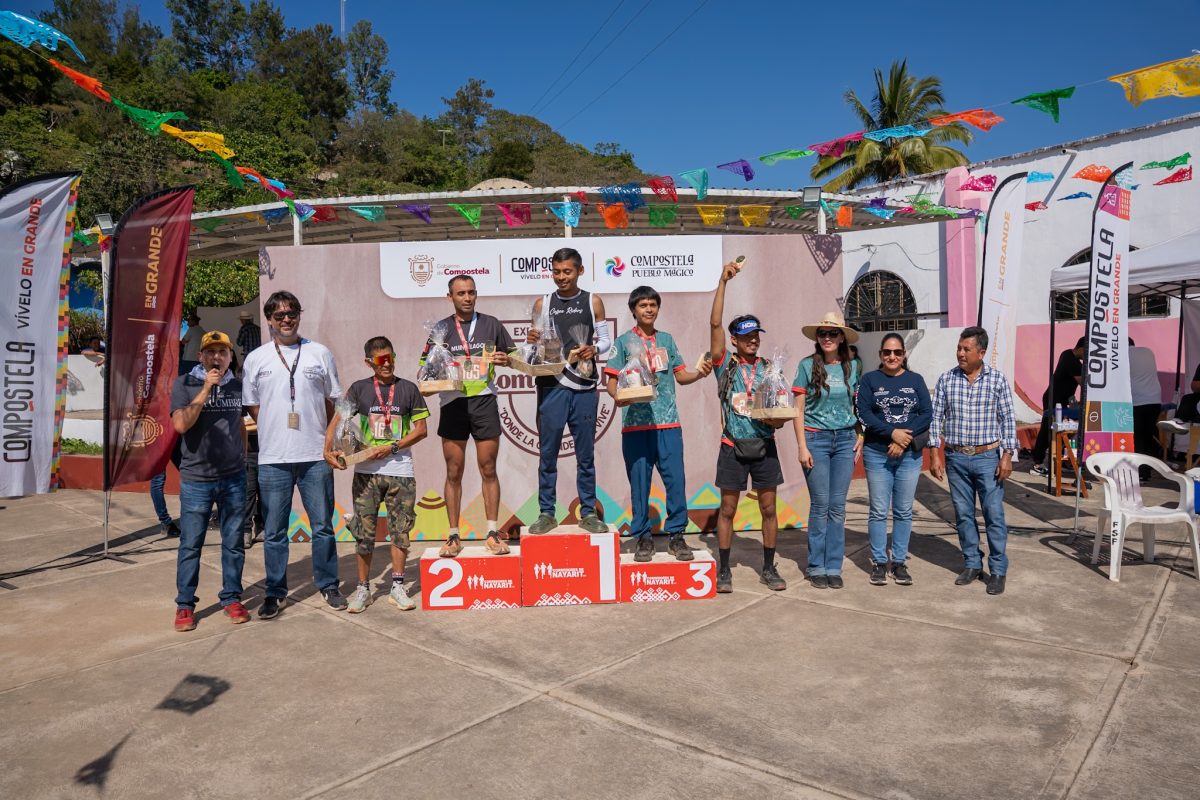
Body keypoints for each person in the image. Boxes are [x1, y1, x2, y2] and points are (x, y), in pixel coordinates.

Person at [242, 290, 346, 617]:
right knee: (274, 532)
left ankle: (328, 585)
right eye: (279, 315)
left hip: (315, 456)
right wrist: (276, 429)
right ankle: (275, 592)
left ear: (299, 315)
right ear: (269, 320)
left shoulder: (319, 353)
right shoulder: (256, 358)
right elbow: (254, 406)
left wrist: (325, 440)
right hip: (274, 459)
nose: (286, 319)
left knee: (323, 527)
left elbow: (333, 401)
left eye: (292, 313)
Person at [605, 285, 712, 562]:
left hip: (668, 424)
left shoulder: (667, 340)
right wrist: (618, 397)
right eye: (643, 305)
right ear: (633, 310)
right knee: (639, 484)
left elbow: (681, 376)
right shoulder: (622, 342)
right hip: (635, 426)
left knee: (675, 481)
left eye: (653, 305)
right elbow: (612, 382)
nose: (649, 309)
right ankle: (643, 537)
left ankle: (677, 535)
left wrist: (699, 374)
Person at [328, 336, 429, 613]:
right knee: (364, 533)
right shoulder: (359, 389)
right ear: (369, 362)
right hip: (366, 472)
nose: (387, 364)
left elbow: (421, 430)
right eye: (380, 360)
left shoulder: (408, 389)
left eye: (390, 358)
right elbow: (338, 421)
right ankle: (363, 589)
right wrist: (329, 449)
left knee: (401, 531)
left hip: (401, 471)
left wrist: (392, 447)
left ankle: (397, 586)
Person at [420, 275, 517, 557]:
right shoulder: (440, 329)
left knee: (488, 468)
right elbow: (424, 370)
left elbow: (515, 358)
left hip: (484, 401)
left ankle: (492, 533)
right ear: (450, 297)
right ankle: (453, 535)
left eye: (471, 292)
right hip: (453, 403)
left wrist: (507, 359)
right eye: (461, 293)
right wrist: (433, 373)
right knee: (454, 471)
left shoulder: (491, 324)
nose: (467, 298)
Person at [708, 260, 790, 592]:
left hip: (764, 446)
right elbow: (715, 323)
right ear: (734, 340)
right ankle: (724, 570)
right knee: (728, 509)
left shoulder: (770, 368)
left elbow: (780, 412)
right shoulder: (724, 364)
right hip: (732, 446)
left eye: (756, 335)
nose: (753, 340)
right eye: (746, 336)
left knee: (769, 509)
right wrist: (723, 282)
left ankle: (769, 568)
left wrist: (776, 419)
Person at [525, 247, 612, 535]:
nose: (561, 277)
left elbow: (606, 342)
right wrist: (530, 340)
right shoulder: (542, 303)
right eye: (556, 272)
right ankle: (546, 512)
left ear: (580, 271)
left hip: (584, 386)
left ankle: (588, 512)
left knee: (585, 455)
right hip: (551, 386)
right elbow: (531, 349)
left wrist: (593, 348)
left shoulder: (592, 301)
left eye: (567, 272)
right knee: (547, 453)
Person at [928, 327, 1018, 596]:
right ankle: (972, 564)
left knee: (993, 514)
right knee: (963, 514)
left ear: (981, 353)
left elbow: (1008, 419)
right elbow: (936, 418)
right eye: (959, 348)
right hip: (956, 457)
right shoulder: (947, 379)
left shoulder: (997, 380)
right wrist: (934, 454)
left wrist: (1007, 456)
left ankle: (998, 570)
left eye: (966, 349)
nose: (960, 353)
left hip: (988, 458)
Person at [170, 331, 249, 631]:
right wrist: (205, 388)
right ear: (200, 356)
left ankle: (232, 597)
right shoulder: (185, 383)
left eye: (223, 352)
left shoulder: (238, 386)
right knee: (191, 544)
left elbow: (240, 424)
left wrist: (241, 458)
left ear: (230, 357)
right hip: (197, 480)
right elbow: (180, 424)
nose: (217, 357)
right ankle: (185, 604)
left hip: (233, 478)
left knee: (233, 543)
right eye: (211, 352)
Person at [856, 333, 932, 586]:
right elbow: (864, 413)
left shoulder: (915, 380)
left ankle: (899, 562)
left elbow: (927, 413)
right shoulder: (869, 380)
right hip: (877, 454)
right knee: (878, 511)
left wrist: (903, 439)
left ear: (904, 354)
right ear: (880, 354)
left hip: (909, 456)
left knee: (903, 511)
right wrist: (892, 433)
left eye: (897, 352)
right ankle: (879, 562)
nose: (892, 356)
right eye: (887, 352)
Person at [793, 311, 862, 589]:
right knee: (820, 505)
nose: (827, 338)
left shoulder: (853, 366)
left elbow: (859, 405)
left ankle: (834, 565)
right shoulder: (806, 365)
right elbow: (797, 409)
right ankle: (816, 566)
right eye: (823, 333)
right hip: (816, 440)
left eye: (833, 333)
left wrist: (861, 434)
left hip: (845, 441)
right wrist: (802, 446)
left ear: (842, 337)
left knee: (837, 507)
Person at [1031, 337, 1085, 477]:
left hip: (1060, 400)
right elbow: (1084, 383)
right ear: (1081, 349)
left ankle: (1061, 461)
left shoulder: (1067, 353)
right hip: (1053, 399)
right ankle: (1037, 463)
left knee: (1063, 430)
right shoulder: (1072, 361)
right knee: (1047, 429)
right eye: (1087, 352)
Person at [1129, 340, 1162, 481]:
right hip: (1155, 399)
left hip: (1137, 401)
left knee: (1138, 437)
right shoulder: (1148, 351)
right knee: (1148, 436)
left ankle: (1142, 472)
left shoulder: (1123, 355)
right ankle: (1148, 469)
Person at [179, 311, 206, 375]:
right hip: (199, 359)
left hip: (189, 358)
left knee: (183, 377)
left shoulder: (191, 329)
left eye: (189, 321)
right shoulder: (203, 332)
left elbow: (183, 341)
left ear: (193, 321)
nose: (187, 323)